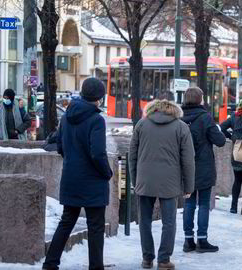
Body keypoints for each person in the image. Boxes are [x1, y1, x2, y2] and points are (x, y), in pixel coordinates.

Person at [42, 78, 113, 270]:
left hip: (71, 178)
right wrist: (107, 173)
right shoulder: (96, 120)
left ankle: (50, 263)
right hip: (93, 182)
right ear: (99, 98)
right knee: (96, 227)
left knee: (66, 222)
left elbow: (60, 146)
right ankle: (95, 267)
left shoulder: (66, 117)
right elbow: (98, 153)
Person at [129, 99, 195, 270]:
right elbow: (188, 160)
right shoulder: (181, 127)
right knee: (169, 222)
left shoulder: (142, 124)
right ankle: (164, 260)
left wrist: (135, 179)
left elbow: (132, 156)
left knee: (144, 221)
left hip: (145, 180)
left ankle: (147, 258)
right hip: (170, 181)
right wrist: (188, 186)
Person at [182, 87, 226, 253]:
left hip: (185, 167)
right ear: (200, 100)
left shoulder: (179, 117)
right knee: (204, 203)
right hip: (204, 167)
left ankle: (188, 241)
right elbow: (220, 141)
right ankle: (202, 240)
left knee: (189, 203)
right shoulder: (205, 118)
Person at [220, 97, 242, 215]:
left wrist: (230, 136)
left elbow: (221, 127)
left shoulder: (234, 116)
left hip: (235, 150)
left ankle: (233, 207)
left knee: (237, 180)